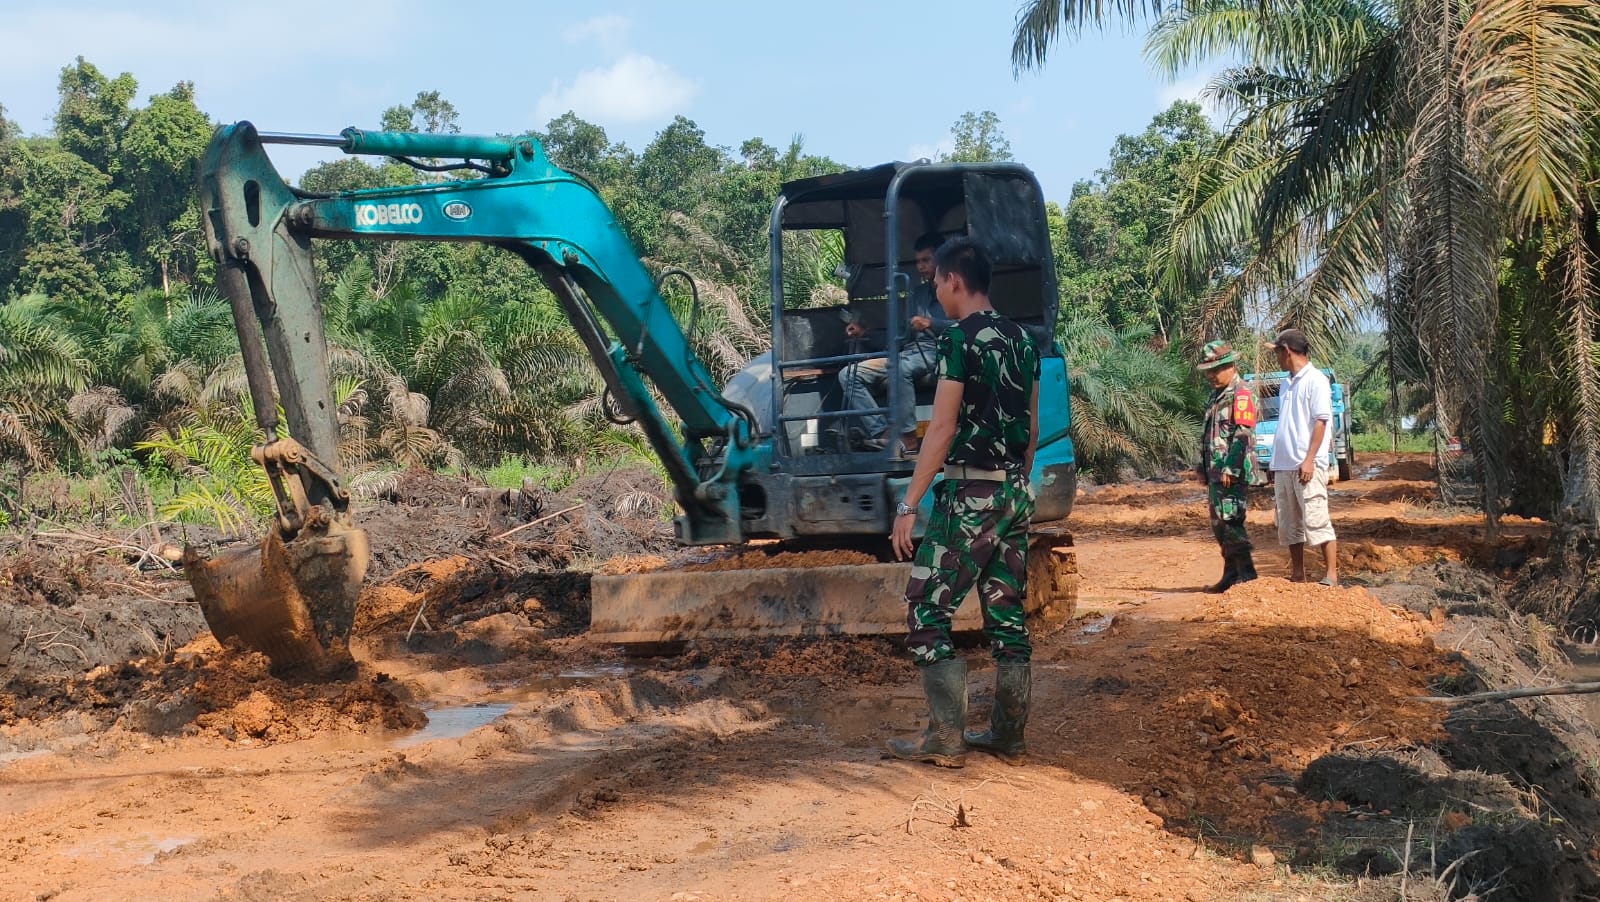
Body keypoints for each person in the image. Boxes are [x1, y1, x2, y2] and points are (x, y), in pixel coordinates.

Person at [883, 237, 1040, 768]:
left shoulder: (958, 340)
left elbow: (942, 427)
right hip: (1015, 494)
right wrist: (1015, 485)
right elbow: (1033, 428)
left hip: (970, 494)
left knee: (927, 610)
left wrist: (909, 504)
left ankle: (946, 738)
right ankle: (1007, 734)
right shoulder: (1024, 340)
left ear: (953, 280)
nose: (933, 288)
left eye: (935, 281)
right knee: (1006, 615)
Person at [839, 232, 952, 456]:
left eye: (926, 260)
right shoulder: (917, 294)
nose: (920, 266)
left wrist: (932, 323)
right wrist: (866, 334)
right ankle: (883, 434)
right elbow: (900, 335)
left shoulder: (955, 289)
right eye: (917, 261)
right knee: (848, 374)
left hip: (940, 353)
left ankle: (909, 440)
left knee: (900, 368)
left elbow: (968, 327)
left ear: (942, 260)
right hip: (909, 353)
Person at [1267, 328, 1339, 585]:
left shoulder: (1316, 380)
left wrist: (1309, 459)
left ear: (1286, 351)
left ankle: (1331, 574)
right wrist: (1275, 462)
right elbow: (1287, 423)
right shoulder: (1286, 383)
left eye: (1276, 352)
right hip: (1284, 464)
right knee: (1289, 523)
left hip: (1305, 464)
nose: (1276, 357)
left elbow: (1320, 421)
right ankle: (1298, 574)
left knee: (1316, 518)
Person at [1195, 340, 1259, 592]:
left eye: (1215, 369)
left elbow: (1243, 435)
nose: (1210, 375)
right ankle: (1231, 574)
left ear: (1230, 365)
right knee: (1219, 525)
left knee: (1231, 520)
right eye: (1207, 371)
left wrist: (1230, 468)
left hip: (1231, 472)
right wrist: (1202, 466)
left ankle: (1247, 576)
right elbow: (1210, 435)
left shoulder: (1242, 394)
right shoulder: (1217, 395)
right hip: (1215, 471)